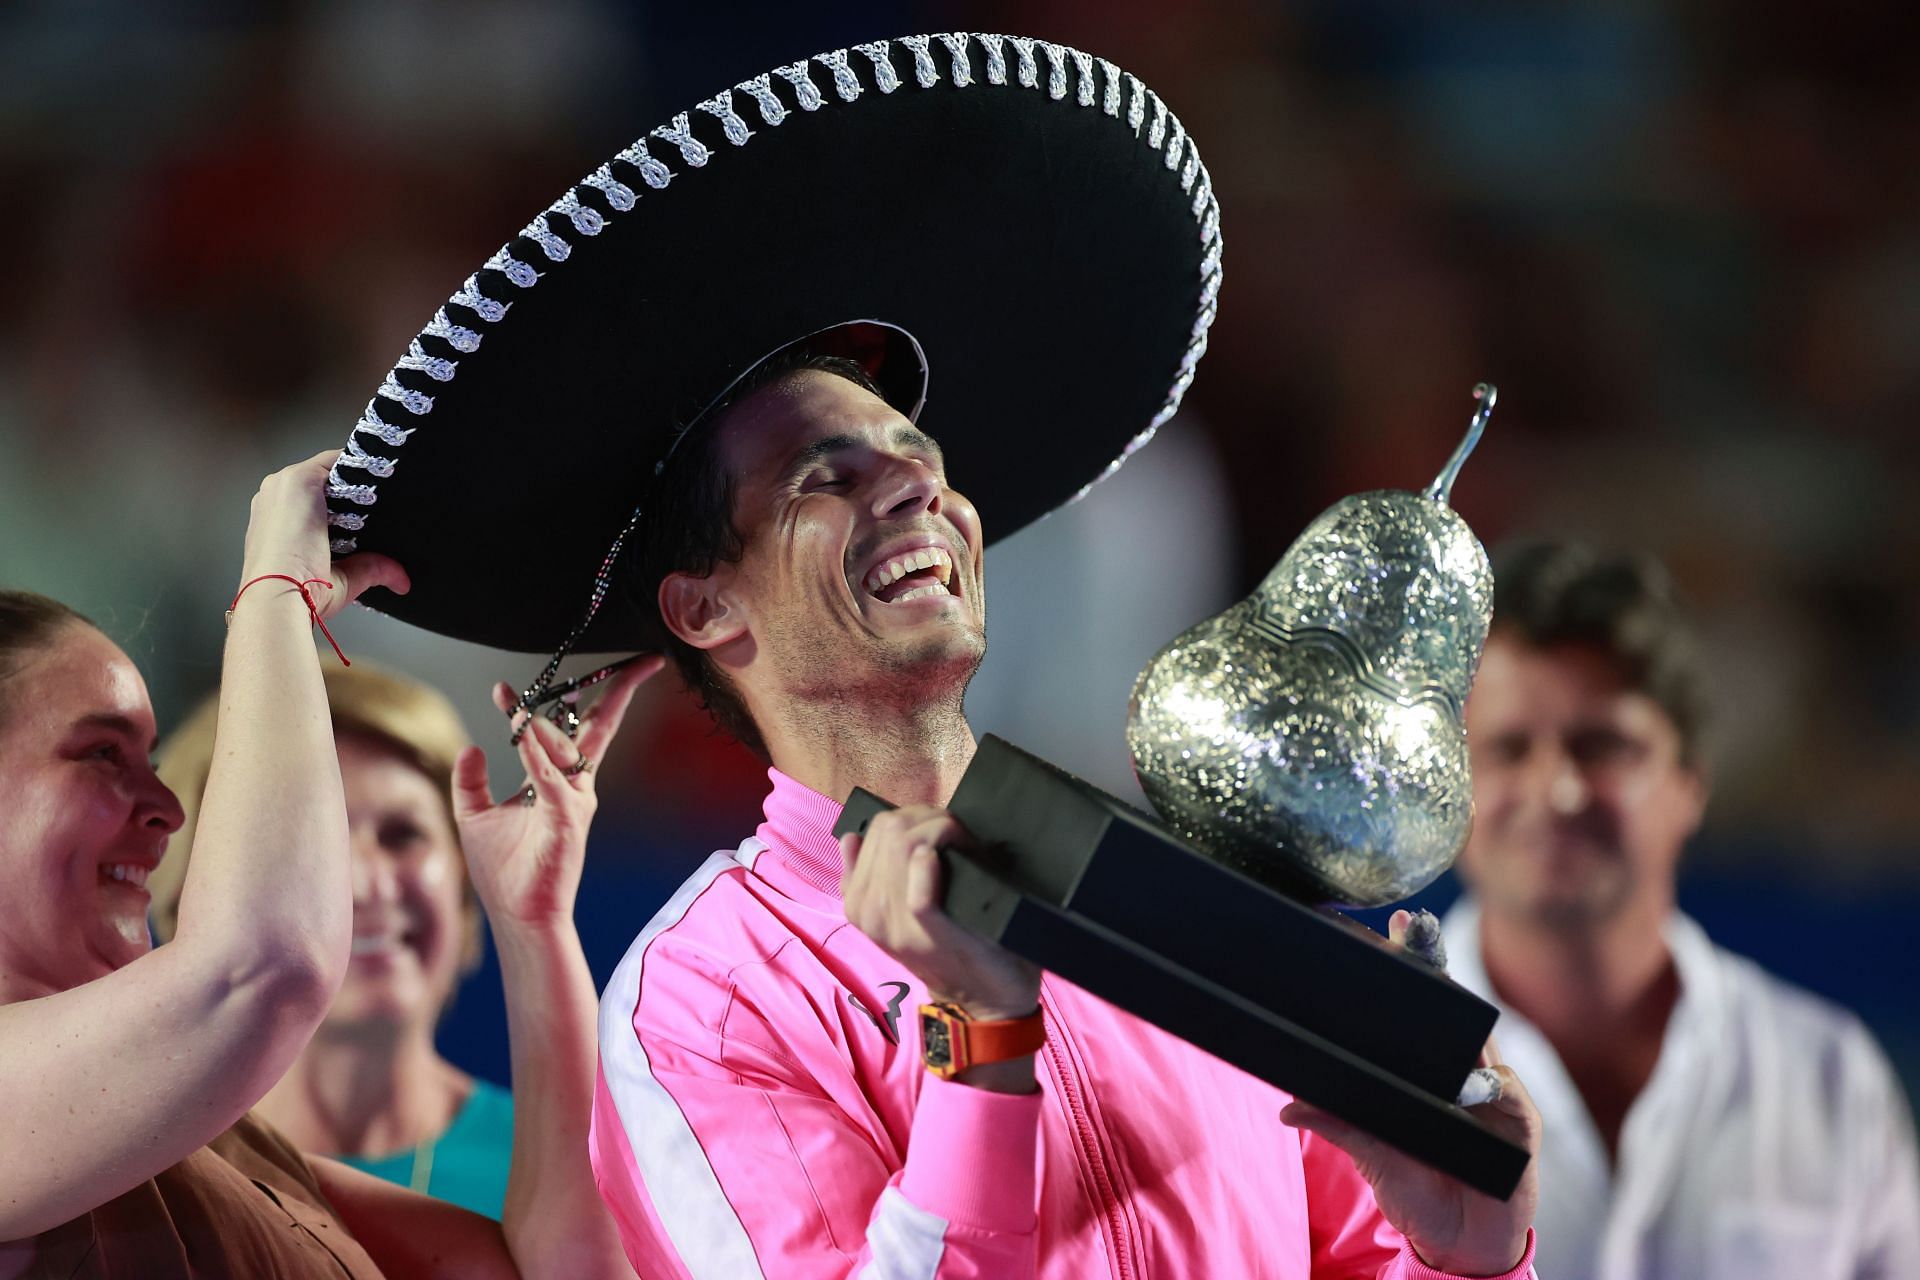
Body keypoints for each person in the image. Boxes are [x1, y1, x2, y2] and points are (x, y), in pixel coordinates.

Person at [305, 33, 1543, 1277]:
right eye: (823, 477)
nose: (915, 483)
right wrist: (983, 1041)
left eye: (918, 454)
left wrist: (1468, 1253)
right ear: (702, 609)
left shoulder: (1185, 898)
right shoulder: (705, 997)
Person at [0, 453, 638, 1279]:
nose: (165, 807)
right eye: (100, 753)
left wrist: (531, 921)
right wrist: (273, 597)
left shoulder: (218, 1135)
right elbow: (263, 964)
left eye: (150, 758)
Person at [1442, 539, 1920, 1280]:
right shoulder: (1380, 1063)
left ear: (1692, 781)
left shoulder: (1827, 1076)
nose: (1556, 791)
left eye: (1601, 746)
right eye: (1508, 749)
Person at [149, 663, 508, 1217]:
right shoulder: (140, 1183)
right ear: (192, 894)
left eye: (403, 834)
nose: (368, 883)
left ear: (464, 879)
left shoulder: (568, 1168)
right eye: (313, 836)